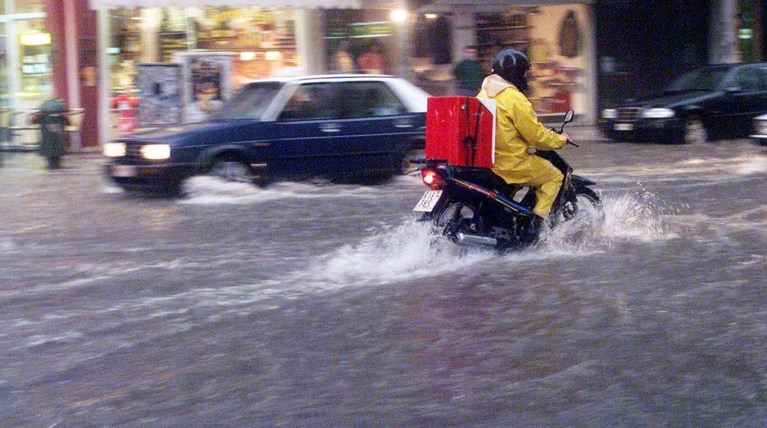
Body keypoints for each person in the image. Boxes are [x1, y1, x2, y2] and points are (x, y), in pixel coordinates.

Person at [476, 48, 570, 237]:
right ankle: (537, 229)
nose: (526, 78)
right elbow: (536, 136)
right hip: (511, 163)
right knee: (554, 177)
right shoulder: (513, 98)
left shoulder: (483, 94)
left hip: (488, 161)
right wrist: (560, 139)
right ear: (515, 73)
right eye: (524, 73)